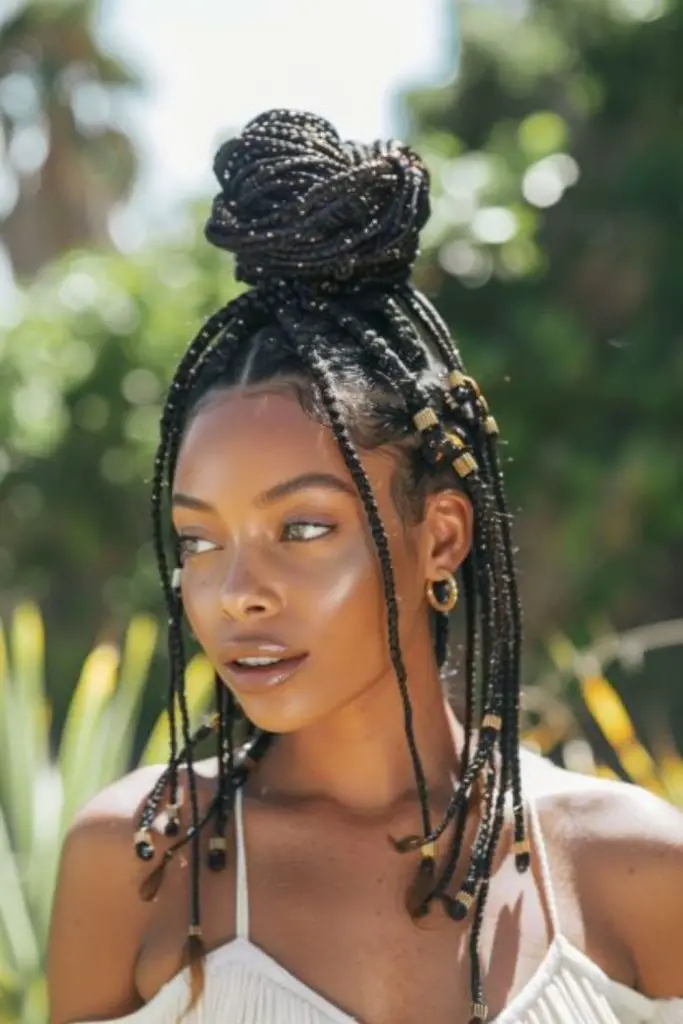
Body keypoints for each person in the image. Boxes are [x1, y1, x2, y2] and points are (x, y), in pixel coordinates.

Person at [47, 109, 683, 1024]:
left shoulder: (632, 870)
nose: (237, 593)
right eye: (198, 541)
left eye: (301, 529)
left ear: (442, 537)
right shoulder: (142, 864)